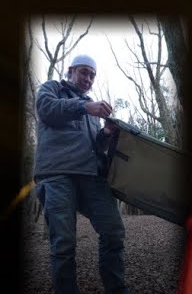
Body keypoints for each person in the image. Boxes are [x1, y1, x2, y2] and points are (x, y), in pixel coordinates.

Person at [34, 53, 129, 294]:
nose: (88, 78)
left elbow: (95, 146)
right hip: (57, 174)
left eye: (92, 75)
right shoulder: (52, 88)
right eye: (84, 72)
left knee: (113, 231)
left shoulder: (90, 109)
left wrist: (106, 134)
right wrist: (84, 106)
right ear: (70, 71)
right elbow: (46, 109)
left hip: (91, 176)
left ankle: (116, 289)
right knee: (64, 244)